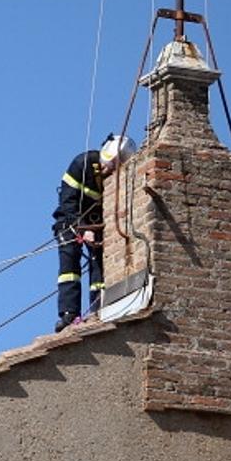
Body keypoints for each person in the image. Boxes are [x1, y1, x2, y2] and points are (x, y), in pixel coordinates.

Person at [51, 133, 137, 332]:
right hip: (69, 222)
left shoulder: (115, 178)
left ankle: (97, 308)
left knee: (99, 264)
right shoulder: (81, 164)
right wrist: (82, 227)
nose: (109, 169)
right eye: (109, 162)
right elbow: (68, 201)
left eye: (115, 166)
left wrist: (94, 230)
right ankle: (68, 314)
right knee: (69, 266)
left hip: (98, 226)